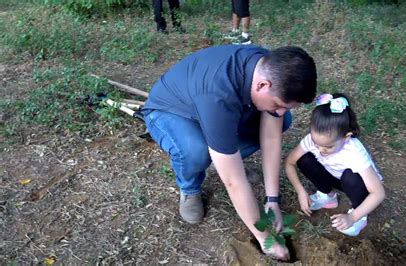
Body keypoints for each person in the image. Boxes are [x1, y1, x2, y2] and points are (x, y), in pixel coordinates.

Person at [142, 45, 317, 260]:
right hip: (171, 111)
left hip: (210, 107)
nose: (281, 111)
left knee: (280, 123)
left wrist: (272, 200)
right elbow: (234, 183)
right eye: (280, 104)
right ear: (263, 85)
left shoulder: (272, 67)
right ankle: (189, 188)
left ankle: (224, 155)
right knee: (196, 152)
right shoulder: (218, 96)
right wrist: (265, 239)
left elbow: (271, 137)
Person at [285, 93, 385, 236]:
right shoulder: (315, 140)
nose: (320, 150)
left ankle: (360, 216)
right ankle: (327, 196)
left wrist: (352, 217)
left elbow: (378, 192)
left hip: (361, 185)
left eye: (328, 147)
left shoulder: (354, 152)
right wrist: (301, 191)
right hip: (335, 175)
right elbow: (289, 162)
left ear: (346, 137)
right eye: (316, 143)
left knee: (350, 177)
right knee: (304, 159)